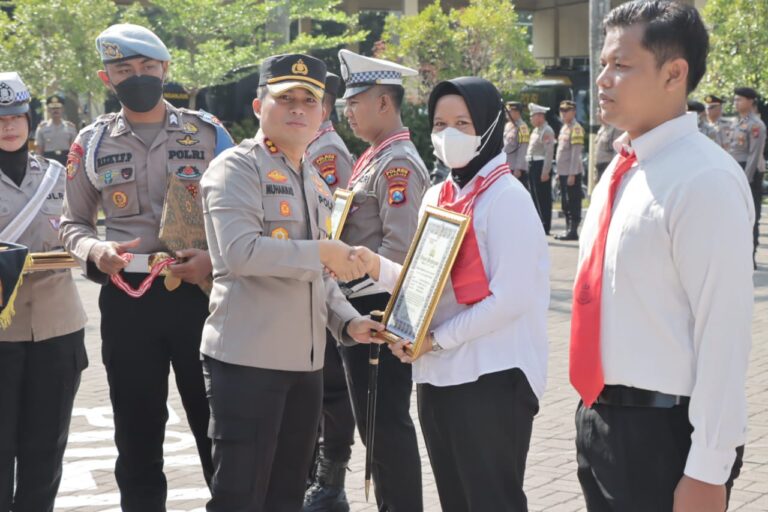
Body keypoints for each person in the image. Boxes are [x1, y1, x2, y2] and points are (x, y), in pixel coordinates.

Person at [571, 2, 752, 511]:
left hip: (664, 435)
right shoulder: (620, 168)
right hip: (603, 420)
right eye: (604, 64)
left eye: (622, 65)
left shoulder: (704, 180)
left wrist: (708, 469)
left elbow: (724, 331)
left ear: (675, 73)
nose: (603, 79)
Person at [59, 24, 234, 511]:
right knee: (136, 432)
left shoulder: (209, 133)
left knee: (216, 425)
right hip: (127, 295)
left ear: (165, 70)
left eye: (147, 68)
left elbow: (244, 209)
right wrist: (95, 252)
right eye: (124, 70)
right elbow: (71, 222)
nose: (137, 76)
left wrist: (215, 262)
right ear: (106, 77)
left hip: (200, 293)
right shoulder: (90, 143)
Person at [356, 76, 550, 511]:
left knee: (491, 500)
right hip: (438, 378)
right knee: (456, 501)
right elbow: (422, 282)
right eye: (440, 123)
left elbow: (511, 298)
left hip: (492, 379)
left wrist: (437, 339)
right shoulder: (440, 194)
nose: (449, 135)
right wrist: (373, 266)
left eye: (463, 123)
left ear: (490, 125)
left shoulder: (506, 198)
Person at [200, 52, 381, 512]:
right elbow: (241, 252)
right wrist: (323, 252)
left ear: (323, 113)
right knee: (240, 495)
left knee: (287, 495)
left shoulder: (316, 180)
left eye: (309, 100)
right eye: (286, 99)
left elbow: (320, 275)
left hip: (306, 368)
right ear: (260, 107)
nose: (298, 109)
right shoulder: (235, 168)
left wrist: (348, 322)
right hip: (247, 363)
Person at [336, 48, 428, 511]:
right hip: (359, 307)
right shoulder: (374, 158)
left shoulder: (398, 165)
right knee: (375, 427)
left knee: (385, 426)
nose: (347, 111)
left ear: (384, 103)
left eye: (356, 102)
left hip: (380, 309)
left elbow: (401, 249)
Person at [0, 72, 88, 512]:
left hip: (57, 330)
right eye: (0, 118)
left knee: (46, 451)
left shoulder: (59, 175)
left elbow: (83, 229)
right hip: (2, 333)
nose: (9, 126)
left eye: (16, 116)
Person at [303, 71, 357, 512]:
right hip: (314, 280)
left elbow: (333, 222)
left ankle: (331, 480)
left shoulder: (325, 151)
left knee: (334, 391)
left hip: (332, 285)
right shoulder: (310, 147)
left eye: (310, 100)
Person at [729, 86, 766, 268]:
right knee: (734, 214)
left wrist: (744, 179)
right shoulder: (736, 123)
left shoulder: (756, 125)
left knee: (751, 214)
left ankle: (750, 255)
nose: (736, 102)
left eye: (739, 99)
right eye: (735, 99)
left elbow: (754, 154)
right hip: (736, 169)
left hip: (749, 173)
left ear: (750, 101)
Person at [554, 100, 584, 241]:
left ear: (574, 112)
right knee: (565, 203)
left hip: (572, 172)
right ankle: (567, 229)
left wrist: (572, 173)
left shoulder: (576, 128)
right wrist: (559, 173)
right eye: (562, 110)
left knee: (573, 202)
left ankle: (573, 231)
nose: (563, 113)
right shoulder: (564, 128)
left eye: (567, 110)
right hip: (563, 172)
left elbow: (575, 154)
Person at [526, 103, 555, 235]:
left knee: (543, 197)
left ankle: (545, 225)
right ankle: (538, 223)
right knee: (535, 196)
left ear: (540, 116)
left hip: (541, 165)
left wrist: (545, 172)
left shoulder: (547, 130)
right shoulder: (536, 130)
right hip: (533, 165)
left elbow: (549, 153)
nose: (531, 119)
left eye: (533, 116)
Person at [34, 95, 77, 165]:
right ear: (48, 110)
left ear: (62, 109)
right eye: (53, 108)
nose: (55, 110)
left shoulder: (70, 127)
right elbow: (39, 150)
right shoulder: (42, 128)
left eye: (58, 108)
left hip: (66, 160)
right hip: (49, 161)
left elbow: (74, 149)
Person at [503, 100, 530, 189]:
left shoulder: (522, 127)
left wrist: (518, 168)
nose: (506, 113)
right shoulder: (508, 125)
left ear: (516, 112)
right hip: (507, 166)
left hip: (516, 168)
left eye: (509, 111)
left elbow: (523, 149)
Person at [594, 108, 620, 182]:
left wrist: (613, 170)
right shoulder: (601, 129)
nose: (597, 115)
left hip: (608, 166)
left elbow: (617, 151)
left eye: (599, 112)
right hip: (599, 167)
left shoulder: (615, 129)